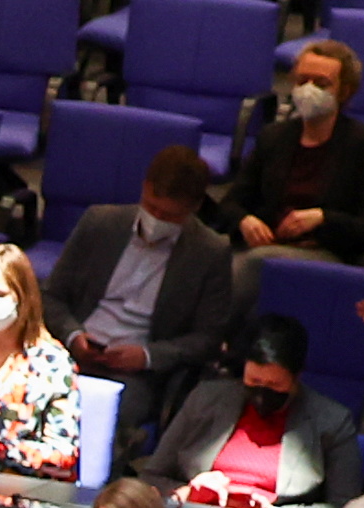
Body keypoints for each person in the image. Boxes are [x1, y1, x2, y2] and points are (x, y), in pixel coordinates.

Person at [41, 147, 241, 461]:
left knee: (104, 422)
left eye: (169, 215)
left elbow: (208, 339)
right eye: (151, 207)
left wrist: (147, 357)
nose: (157, 220)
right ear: (144, 188)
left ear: (194, 208)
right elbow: (51, 296)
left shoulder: (210, 253)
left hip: (135, 374)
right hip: (71, 353)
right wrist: (73, 335)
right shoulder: (100, 223)